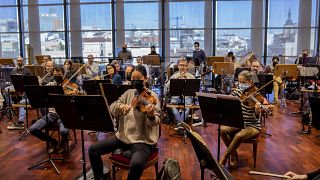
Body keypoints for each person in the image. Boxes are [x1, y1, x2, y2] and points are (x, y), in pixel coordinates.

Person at [88, 65, 160, 180]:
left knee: (136, 164)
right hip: (123, 137)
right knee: (93, 150)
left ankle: (130, 153)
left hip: (142, 141)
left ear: (145, 79)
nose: (135, 81)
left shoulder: (152, 96)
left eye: (138, 78)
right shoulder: (129, 93)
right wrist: (121, 107)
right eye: (133, 78)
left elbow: (154, 123)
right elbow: (112, 107)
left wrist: (151, 115)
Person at [219, 70, 265, 169]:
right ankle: (234, 154)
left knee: (239, 135)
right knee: (222, 130)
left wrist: (257, 110)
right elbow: (228, 99)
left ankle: (225, 157)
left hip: (252, 125)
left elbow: (256, 117)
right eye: (239, 82)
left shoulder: (256, 94)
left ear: (250, 82)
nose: (240, 84)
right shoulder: (238, 91)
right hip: (239, 122)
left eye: (243, 82)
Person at [29, 67, 75, 154]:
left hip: (64, 115)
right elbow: (41, 94)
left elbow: (75, 98)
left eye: (59, 75)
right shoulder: (49, 86)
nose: (57, 76)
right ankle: (52, 141)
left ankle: (63, 141)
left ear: (64, 74)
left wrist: (74, 92)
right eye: (55, 75)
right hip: (52, 114)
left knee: (64, 131)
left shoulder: (69, 85)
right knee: (33, 129)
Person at [165, 57, 195, 125]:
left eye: (184, 65)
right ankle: (181, 123)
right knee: (173, 107)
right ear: (178, 66)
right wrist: (174, 80)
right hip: (176, 97)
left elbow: (195, 89)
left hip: (187, 97)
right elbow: (167, 87)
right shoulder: (174, 76)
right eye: (180, 65)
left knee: (187, 107)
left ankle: (179, 124)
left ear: (187, 66)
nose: (182, 67)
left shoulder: (191, 77)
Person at [7, 57, 33, 130]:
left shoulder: (27, 71)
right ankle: (10, 104)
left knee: (23, 100)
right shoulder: (13, 70)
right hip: (15, 86)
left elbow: (30, 82)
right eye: (18, 61)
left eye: (20, 61)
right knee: (6, 90)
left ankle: (20, 121)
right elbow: (12, 80)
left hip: (25, 87)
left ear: (23, 61)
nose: (19, 62)